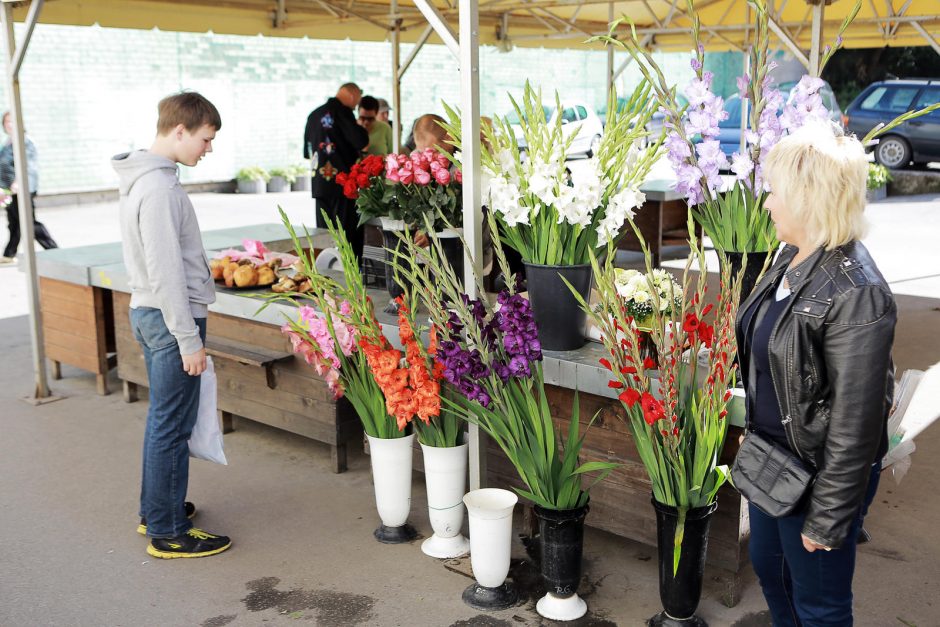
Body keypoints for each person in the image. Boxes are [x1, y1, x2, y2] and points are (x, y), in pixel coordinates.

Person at [735, 123, 896, 626]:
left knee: (820, 605)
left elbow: (856, 423)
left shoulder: (857, 291)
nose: (766, 203)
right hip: (773, 459)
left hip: (818, 474)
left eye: (774, 192)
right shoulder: (792, 256)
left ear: (807, 198)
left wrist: (828, 516)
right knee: (769, 568)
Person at [112, 91, 232, 559]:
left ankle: (157, 510)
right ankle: (167, 530)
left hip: (153, 313)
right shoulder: (159, 188)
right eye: (205, 138)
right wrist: (188, 338)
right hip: (169, 318)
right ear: (179, 130)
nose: (208, 148)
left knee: (166, 421)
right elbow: (165, 271)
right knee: (171, 425)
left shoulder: (147, 180)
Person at [303, 83, 369, 260]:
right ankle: (350, 278)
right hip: (343, 186)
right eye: (358, 99)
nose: (356, 105)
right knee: (348, 237)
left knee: (325, 236)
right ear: (352, 95)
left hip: (320, 186)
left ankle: (327, 276)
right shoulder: (343, 113)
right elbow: (361, 141)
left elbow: (306, 152)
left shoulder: (314, 115)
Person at [1, 111, 57, 263]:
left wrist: (18, 182)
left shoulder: (24, 141)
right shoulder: (8, 142)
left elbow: (27, 165)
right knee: (14, 222)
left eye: (12, 121)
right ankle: (9, 254)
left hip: (22, 189)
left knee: (28, 222)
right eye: (6, 122)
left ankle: (54, 250)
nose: (9, 124)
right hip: (8, 190)